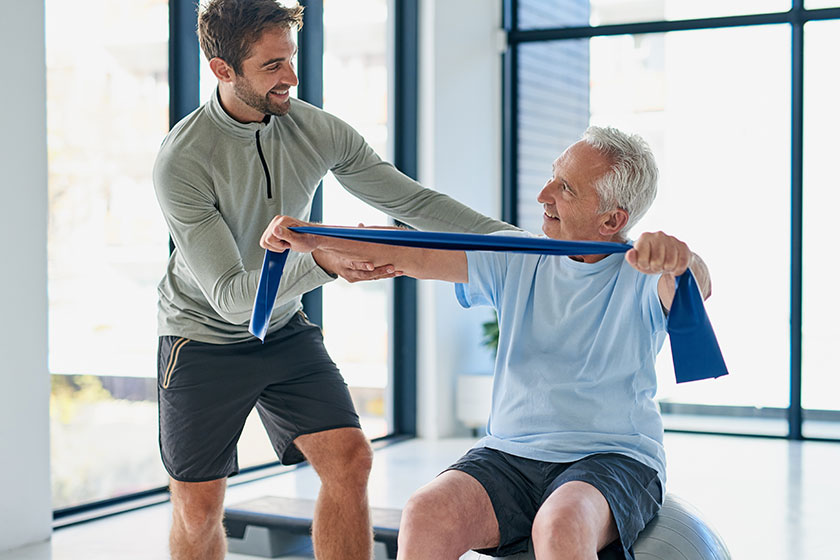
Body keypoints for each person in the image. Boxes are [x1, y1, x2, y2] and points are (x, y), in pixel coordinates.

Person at [151, 1, 517, 559]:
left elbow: (411, 201)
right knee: (199, 511)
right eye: (272, 65)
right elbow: (228, 297)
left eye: (290, 58)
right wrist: (324, 261)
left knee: (350, 460)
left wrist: (517, 243)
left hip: (281, 330)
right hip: (202, 340)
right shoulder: (183, 159)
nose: (291, 78)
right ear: (223, 70)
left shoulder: (310, 127)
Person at [261, 126, 712, 560]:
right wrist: (308, 236)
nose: (543, 195)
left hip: (612, 457)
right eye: (552, 176)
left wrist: (681, 260)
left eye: (567, 189)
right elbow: (406, 251)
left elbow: (694, 286)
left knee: (560, 526)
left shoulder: (643, 275)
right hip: (509, 454)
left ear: (611, 219)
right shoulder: (518, 256)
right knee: (424, 514)